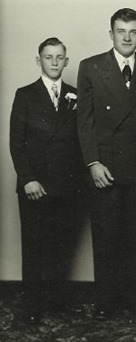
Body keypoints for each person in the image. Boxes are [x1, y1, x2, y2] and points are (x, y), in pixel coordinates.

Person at [77, 8, 136, 319]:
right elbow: (84, 121)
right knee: (106, 236)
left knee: (135, 236)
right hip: (104, 166)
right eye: (121, 31)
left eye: (133, 32)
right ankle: (106, 301)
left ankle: (131, 299)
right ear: (111, 34)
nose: (127, 37)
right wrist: (93, 162)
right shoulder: (91, 67)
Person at [10, 37, 85, 322]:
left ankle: (57, 302)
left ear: (66, 61)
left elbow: (81, 141)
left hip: (66, 185)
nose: (54, 62)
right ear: (38, 60)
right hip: (35, 186)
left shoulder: (75, 94)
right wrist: (28, 179)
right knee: (34, 247)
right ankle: (32, 307)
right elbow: (16, 143)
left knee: (61, 245)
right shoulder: (25, 94)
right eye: (48, 57)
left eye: (59, 57)